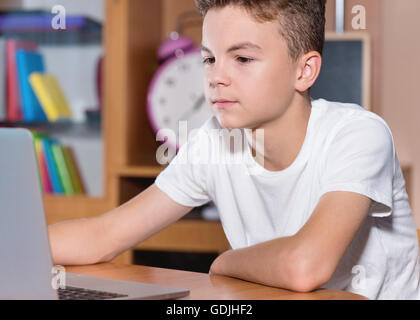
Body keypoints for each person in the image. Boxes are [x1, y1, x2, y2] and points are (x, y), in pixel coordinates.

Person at [48, 0, 420, 299]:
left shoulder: (357, 134)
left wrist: (225, 262)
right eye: (209, 58)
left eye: (242, 59)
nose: (215, 77)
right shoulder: (213, 141)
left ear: (304, 71)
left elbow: (305, 266)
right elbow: (103, 235)